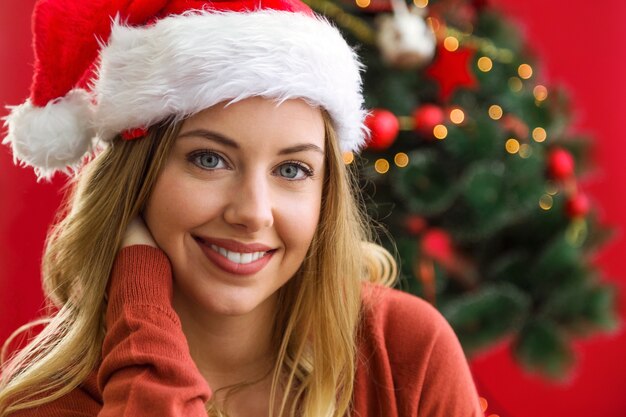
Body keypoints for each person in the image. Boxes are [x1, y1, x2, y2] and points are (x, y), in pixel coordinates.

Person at [0, 0, 484, 416]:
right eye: (210, 160)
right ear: (137, 182)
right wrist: (145, 329)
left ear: (325, 197)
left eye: (292, 170)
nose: (254, 213)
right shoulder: (50, 404)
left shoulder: (403, 352)